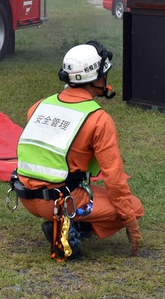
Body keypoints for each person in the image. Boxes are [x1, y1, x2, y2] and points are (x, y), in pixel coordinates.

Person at [10, 41, 143, 260]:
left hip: (24, 195)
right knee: (134, 206)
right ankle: (72, 229)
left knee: (94, 192)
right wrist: (131, 223)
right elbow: (114, 178)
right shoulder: (99, 119)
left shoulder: (40, 105)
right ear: (97, 78)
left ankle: (65, 223)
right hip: (61, 201)